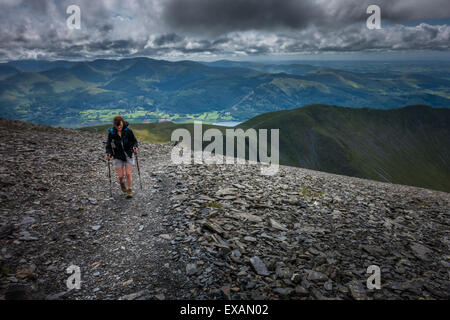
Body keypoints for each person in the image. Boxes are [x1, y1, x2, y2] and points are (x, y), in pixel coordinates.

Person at [105, 116, 138, 198]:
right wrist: (108, 153)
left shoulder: (128, 131)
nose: (119, 128)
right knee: (120, 176)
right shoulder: (112, 133)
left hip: (128, 154)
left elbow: (134, 141)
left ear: (122, 123)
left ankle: (129, 190)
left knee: (128, 173)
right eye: (117, 126)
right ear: (115, 126)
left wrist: (135, 147)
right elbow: (108, 145)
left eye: (120, 126)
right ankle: (122, 183)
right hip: (117, 156)